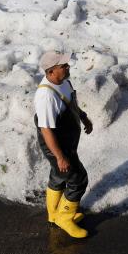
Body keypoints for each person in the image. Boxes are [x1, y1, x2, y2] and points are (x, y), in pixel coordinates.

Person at [34, 51, 93, 239]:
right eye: (63, 65)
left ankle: (53, 215)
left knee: (59, 176)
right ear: (51, 71)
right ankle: (64, 218)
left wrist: (83, 117)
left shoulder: (64, 82)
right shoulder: (45, 96)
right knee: (78, 179)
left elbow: (71, 104)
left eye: (67, 64)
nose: (68, 67)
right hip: (56, 146)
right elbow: (46, 130)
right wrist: (59, 157)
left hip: (67, 142)